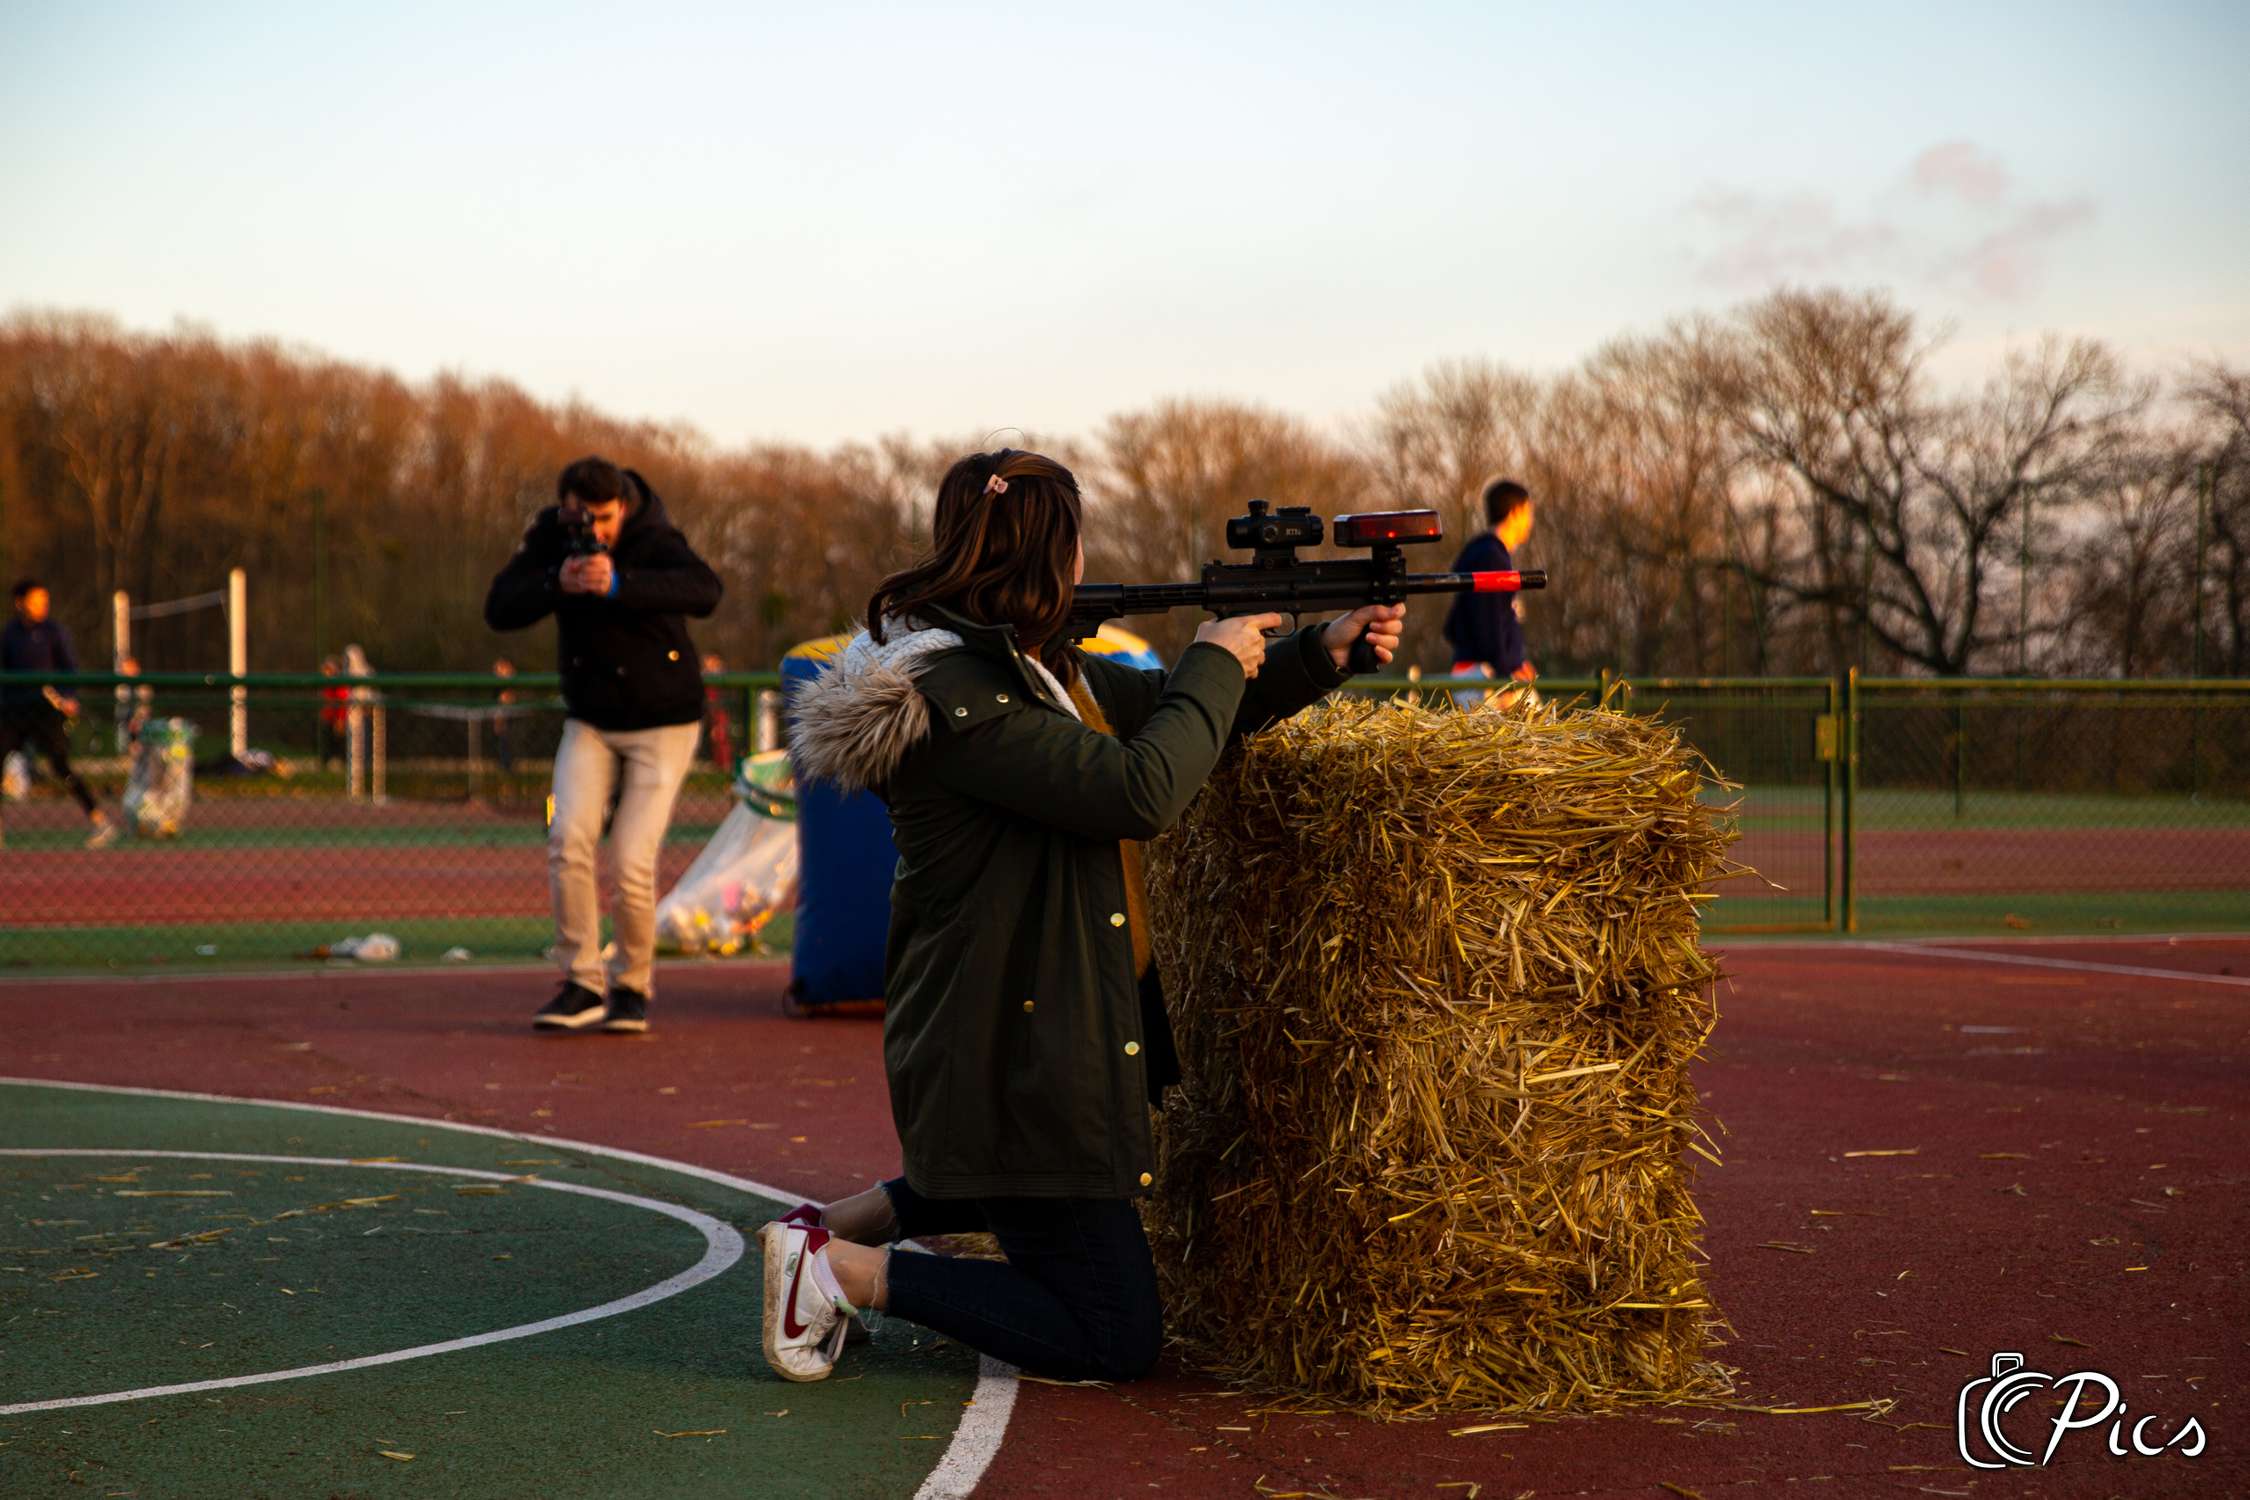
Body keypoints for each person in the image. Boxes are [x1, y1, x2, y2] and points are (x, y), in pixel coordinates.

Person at [769, 448, 1406, 1383]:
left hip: (1019, 1034)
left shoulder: (1020, 672)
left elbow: (1170, 713)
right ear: (1043, 554)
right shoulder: (957, 700)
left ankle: (829, 1227)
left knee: (1021, 1188)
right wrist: (1213, 654)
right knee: (1113, 1335)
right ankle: (842, 1272)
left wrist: (1318, 653)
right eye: (1072, 543)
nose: (1082, 564)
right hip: (1015, 1051)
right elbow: (1140, 788)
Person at [484, 456, 723, 1035]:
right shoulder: (552, 536)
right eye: (582, 516)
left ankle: (631, 987)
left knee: (632, 858)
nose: (594, 529)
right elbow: (499, 607)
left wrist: (620, 584)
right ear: (565, 507)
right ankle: (582, 981)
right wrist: (553, 583)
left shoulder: (653, 533)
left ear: (622, 507)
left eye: (604, 517)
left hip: (664, 722)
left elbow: (706, 589)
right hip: (590, 719)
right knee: (568, 838)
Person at [1, 578, 118, 849]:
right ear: (20, 603)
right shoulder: (9, 634)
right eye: (35, 601)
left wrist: (68, 696)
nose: (41, 606)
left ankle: (99, 820)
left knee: (60, 765)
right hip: (13, 711)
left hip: (45, 713)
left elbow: (69, 670)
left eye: (44, 601)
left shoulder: (54, 632)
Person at [1441, 478, 1537, 707]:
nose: (1530, 521)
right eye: (1528, 513)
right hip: (1486, 677)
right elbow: (1489, 622)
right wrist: (1505, 675)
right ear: (1515, 512)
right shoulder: (1490, 557)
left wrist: (1517, 661)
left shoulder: (1489, 553)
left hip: (1490, 672)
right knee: (1538, 738)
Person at [700, 652, 735, 774]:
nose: (706, 663)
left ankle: (725, 765)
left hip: (719, 710)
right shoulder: (706, 675)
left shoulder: (720, 675)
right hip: (711, 710)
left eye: (709, 660)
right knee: (715, 738)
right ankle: (719, 765)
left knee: (720, 737)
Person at [318, 657, 350, 769]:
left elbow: (342, 701)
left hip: (337, 718)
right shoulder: (326, 683)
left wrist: (340, 719)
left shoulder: (339, 682)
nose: (325, 672)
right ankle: (325, 762)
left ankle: (342, 762)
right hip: (328, 717)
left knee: (339, 740)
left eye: (328, 669)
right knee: (326, 739)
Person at [490, 656, 518, 775]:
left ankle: (507, 765)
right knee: (502, 739)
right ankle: (504, 765)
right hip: (501, 712)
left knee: (507, 739)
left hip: (509, 712)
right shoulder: (497, 685)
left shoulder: (512, 680)